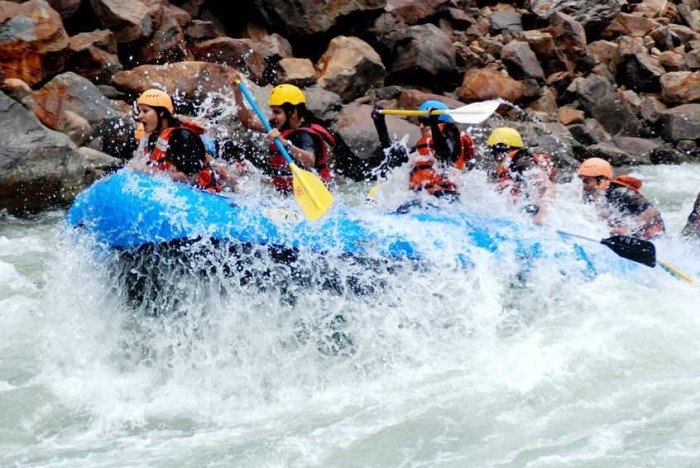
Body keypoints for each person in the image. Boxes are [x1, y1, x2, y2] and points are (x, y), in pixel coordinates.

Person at [232, 81, 334, 195]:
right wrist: (238, 96)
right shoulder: (278, 127)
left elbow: (310, 159)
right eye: (272, 111)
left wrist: (285, 143)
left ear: (293, 113)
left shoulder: (305, 135)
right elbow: (248, 122)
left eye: (277, 112)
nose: (272, 116)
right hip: (284, 196)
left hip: (312, 194)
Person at [371, 99, 475, 200]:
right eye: (420, 121)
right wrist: (379, 122)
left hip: (445, 198)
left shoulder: (452, 141)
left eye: (425, 122)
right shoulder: (420, 149)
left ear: (439, 121)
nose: (421, 126)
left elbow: (444, 154)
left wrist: (433, 123)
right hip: (422, 200)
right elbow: (391, 153)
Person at [130, 88, 222, 192]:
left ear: (161, 113)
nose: (139, 116)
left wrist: (152, 172)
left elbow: (192, 176)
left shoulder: (182, 137)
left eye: (145, 111)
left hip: (204, 192)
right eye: (140, 111)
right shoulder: (153, 138)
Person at [577, 157, 665, 240]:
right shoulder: (591, 196)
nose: (583, 186)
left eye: (587, 181)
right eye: (582, 181)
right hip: (627, 231)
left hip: (650, 234)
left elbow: (653, 212)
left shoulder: (621, 192)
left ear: (602, 180)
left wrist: (627, 228)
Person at [487, 127, 555, 225]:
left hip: (531, 211)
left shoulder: (521, 161)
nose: (495, 157)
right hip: (522, 212)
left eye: (493, 151)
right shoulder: (513, 165)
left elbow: (547, 186)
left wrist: (541, 215)